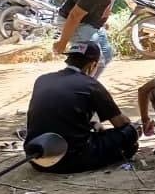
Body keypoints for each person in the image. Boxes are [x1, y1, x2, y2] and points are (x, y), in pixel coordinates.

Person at [26, 41, 139, 173]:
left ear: (69, 60)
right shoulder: (91, 85)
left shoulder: (42, 79)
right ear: (93, 65)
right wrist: (136, 126)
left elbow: (58, 115)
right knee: (131, 133)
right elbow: (120, 123)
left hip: (37, 158)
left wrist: (92, 124)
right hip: (73, 160)